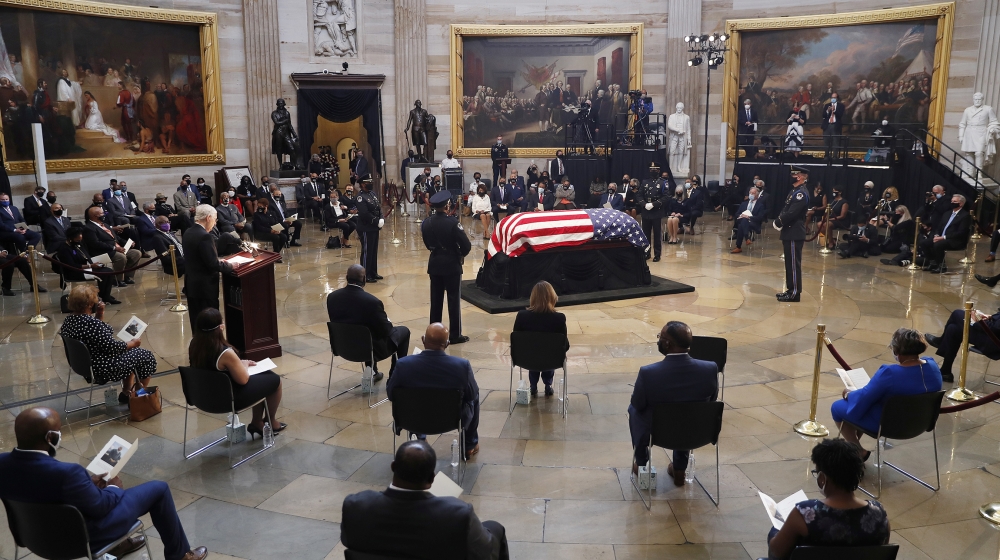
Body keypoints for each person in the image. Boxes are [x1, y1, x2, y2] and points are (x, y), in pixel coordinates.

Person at [0, 407, 208, 560]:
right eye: (59, 432)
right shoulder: (68, 473)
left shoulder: (2, 463)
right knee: (159, 489)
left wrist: (86, 485)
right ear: (50, 437)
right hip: (85, 540)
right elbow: (101, 507)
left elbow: (42, 490)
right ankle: (181, 556)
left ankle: (119, 547)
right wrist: (113, 488)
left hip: (33, 537)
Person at [340, 440, 508, 560]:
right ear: (432, 478)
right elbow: (485, 553)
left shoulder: (355, 506)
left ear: (393, 467)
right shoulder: (458, 515)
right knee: (495, 529)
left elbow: (349, 541)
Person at [765, 439, 890, 560]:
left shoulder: (804, 513)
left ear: (822, 478)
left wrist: (776, 529)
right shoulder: (879, 514)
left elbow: (776, 552)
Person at [628, 321, 718, 485]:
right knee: (688, 413)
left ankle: (641, 463)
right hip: (696, 433)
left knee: (634, 410)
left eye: (660, 337)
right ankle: (679, 468)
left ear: (667, 343)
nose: (659, 340)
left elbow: (638, 404)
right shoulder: (710, 369)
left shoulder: (648, 373)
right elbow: (711, 401)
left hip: (659, 434)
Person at [833, 329, 943, 455]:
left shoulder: (889, 373)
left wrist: (849, 394)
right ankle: (851, 448)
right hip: (922, 423)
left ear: (896, 350)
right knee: (866, 403)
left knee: (837, 407)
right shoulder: (932, 365)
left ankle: (857, 451)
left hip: (889, 425)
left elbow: (863, 398)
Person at [387, 324, 480, 458]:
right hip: (450, 421)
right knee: (475, 395)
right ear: (447, 344)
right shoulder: (461, 366)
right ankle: (469, 445)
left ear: (423, 340)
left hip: (412, 419)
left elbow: (391, 394)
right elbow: (471, 395)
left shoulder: (403, 365)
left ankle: (420, 437)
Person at [189, 308, 285, 437]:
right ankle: (269, 421)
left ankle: (257, 422)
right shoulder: (224, 352)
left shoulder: (193, 345)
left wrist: (237, 364)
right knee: (275, 380)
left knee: (265, 377)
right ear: (221, 327)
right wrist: (243, 364)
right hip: (227, 399)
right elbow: (243, 379)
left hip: (202, 396)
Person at [61, 284, 155, 398]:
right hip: (102, 368)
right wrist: (132, 343)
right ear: (90, 304)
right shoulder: (91, 323)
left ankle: (126, 393)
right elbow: (112, 347)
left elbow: (95, 337)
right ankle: (137, 396)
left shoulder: (68, 321)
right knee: (146, 356)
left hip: (83, 366)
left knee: (131, 354)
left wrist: (99, 315)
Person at [327, 264, 411, 379]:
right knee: (403, 332)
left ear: (347, 278)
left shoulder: (332, 297)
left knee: (365, 330)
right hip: (368, 351)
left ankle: (373, 372)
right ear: (364, 279)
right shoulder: (372, 302)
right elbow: (386, 330)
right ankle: (395, 377)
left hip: (342, 347)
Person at [422, 191, 472, 344]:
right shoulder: (452, 222)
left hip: (435, 263)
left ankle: (433, 333)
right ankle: (455, 334)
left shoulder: (426, 222)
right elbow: (466, 245)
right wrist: (459, 254)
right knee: (453, 300)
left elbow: (427, 244)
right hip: (451, 264)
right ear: (447, 205)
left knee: (436, 301)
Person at [182, 205, 234, 330]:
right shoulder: (205, 236)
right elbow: (213, 264)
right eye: (215, 220)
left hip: (192, 285)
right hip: (205, 288)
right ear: (208, 217)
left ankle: (198, 348)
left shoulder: (188, 232)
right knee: (209, 324)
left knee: (196, 322)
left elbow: (199, 257)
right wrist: (231, 265)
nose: (215, 223)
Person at [513, 281, 569, 396]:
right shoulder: (559, 319)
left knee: (533, 351)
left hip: (526, 360)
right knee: (549, 351)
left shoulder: (522, 316)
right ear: (552, 297)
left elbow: (516, 342)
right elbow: (564, 345)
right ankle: (548, 385)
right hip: (552, 361)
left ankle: (533, 386)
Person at [925, 307, 1000, 383]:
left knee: (957, 313)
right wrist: (990, 317)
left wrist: (976, 321)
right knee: (953, 329)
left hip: (994, 342)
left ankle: (940, 342)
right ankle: (945, 371)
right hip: (992, 337)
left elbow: (995, 329)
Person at [776, 166, 811, 302]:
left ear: (800, 177)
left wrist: (779, 222)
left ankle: (794, 293)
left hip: (794, 231)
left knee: (793, 265)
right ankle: (790, 290)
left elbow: (792, 213)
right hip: (789, 231)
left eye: (794, 174)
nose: (791, 177)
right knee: (789, 264)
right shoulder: (794, 191)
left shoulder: (800, 193)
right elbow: (786, 208)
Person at [83, 206, 141, 287]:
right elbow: (95, 243)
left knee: (136, 253)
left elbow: (116, 238)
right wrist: (114, 248)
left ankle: (127, 276)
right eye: (101, 213)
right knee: (121, 257)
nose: (104, 215)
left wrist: (127, 243)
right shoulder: (89, 228)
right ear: (94, 216)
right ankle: (117, 279)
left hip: (117, 248)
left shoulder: (105, 225)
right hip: (103, 251)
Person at [57, 227, 117, 304]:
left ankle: (105, 295)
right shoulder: (64, 248)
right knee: (104, 274)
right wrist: (90, 266)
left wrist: (96, 262)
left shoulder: (78, 245)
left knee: (109, 271)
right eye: (77, 240)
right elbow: (71, 265)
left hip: (85, 268)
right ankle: (104, 297)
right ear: (70, 238)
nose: (79, 241)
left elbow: (85, 256)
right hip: (75, 272)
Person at [920, 194, 970, 274]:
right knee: (924, 243)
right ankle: (933, 263)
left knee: (938, 245)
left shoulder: (965, 216)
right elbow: (939, 227)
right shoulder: (947, 213)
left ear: (961, 203)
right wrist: (936, 235)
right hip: (941, 238)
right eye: (951, 201)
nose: (952, 203)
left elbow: (961, 232)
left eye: (954, 201)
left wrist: (943, 237)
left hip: (954, 240)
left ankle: (942, 266)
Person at [355, 178, 384, 282]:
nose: (370, 184)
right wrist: (376, 221)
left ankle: (373, 272)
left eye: (371, 182)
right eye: (368, 183)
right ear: (362, 184)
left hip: (374, 227)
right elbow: (364, 213)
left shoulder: (372, 194)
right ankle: (365, 275)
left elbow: (378, 208)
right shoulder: (360, 197)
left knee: (373, 250)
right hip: (366, 227)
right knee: (367, 251)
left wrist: (381, 218)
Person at [636, 166, 668, 260]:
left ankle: (657, 254)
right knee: (646, 234)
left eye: (655, 170)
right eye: (651, 170)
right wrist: (644, 204)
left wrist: (654, 204)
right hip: (646, 210)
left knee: (657, 234)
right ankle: (647, 252)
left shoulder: (663, 182)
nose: (653, 171)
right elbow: (639, 195)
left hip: (656, 211)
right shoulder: (645, 181)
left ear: (658, 171)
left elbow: (666, 197)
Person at [730, 186, 767, 254]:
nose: (751, 194)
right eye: (750, 193)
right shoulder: (744, 203)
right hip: (742, 221)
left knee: (742, 224)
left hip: (753, 223)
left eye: (753, 193)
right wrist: (741, 215)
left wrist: (749, 217)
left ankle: (739, 246)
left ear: (757, 195)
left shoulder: (760, 205)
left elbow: (760, 218)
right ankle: (747, 238)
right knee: (743, 221)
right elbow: (737, 214)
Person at [821, 92, 845, 159]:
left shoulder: (841, 106)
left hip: (835, 125)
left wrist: (834, 111)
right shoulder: (827, 105)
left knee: (835, 142)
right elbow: (823, 115)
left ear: (837, 98)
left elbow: (840, 115)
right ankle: (826, 156)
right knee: (826, 141)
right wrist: (828, 111)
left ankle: (835, 156)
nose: (833, 99)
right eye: (832, 98)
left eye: (834, 98)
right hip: (827, 125)